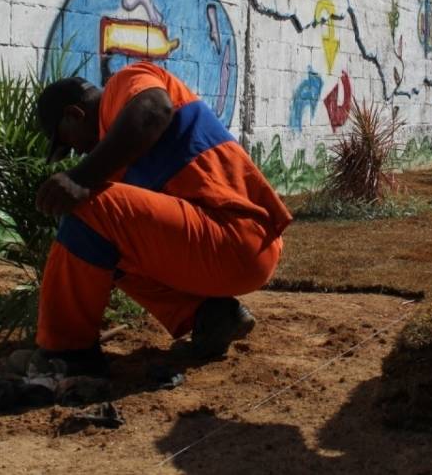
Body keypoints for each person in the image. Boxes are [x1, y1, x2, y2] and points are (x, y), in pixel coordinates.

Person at [23, 61, 291, 376]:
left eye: (69, 143)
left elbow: (155, 110)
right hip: (233, 249)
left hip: (237, 234)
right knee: (108, 244)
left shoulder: (123, 84)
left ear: (75, 114)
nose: (77, 153)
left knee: (87, 208)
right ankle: (210, 316)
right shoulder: (115, 154)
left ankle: (66, 354)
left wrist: (80, 178)